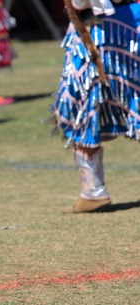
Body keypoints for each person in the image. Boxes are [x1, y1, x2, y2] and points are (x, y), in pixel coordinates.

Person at [51, 0, 140, 213]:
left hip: (107, 28)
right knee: (82, 102)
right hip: (104, 26)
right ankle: (92, 190)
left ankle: (93, 190)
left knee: (79, 97)